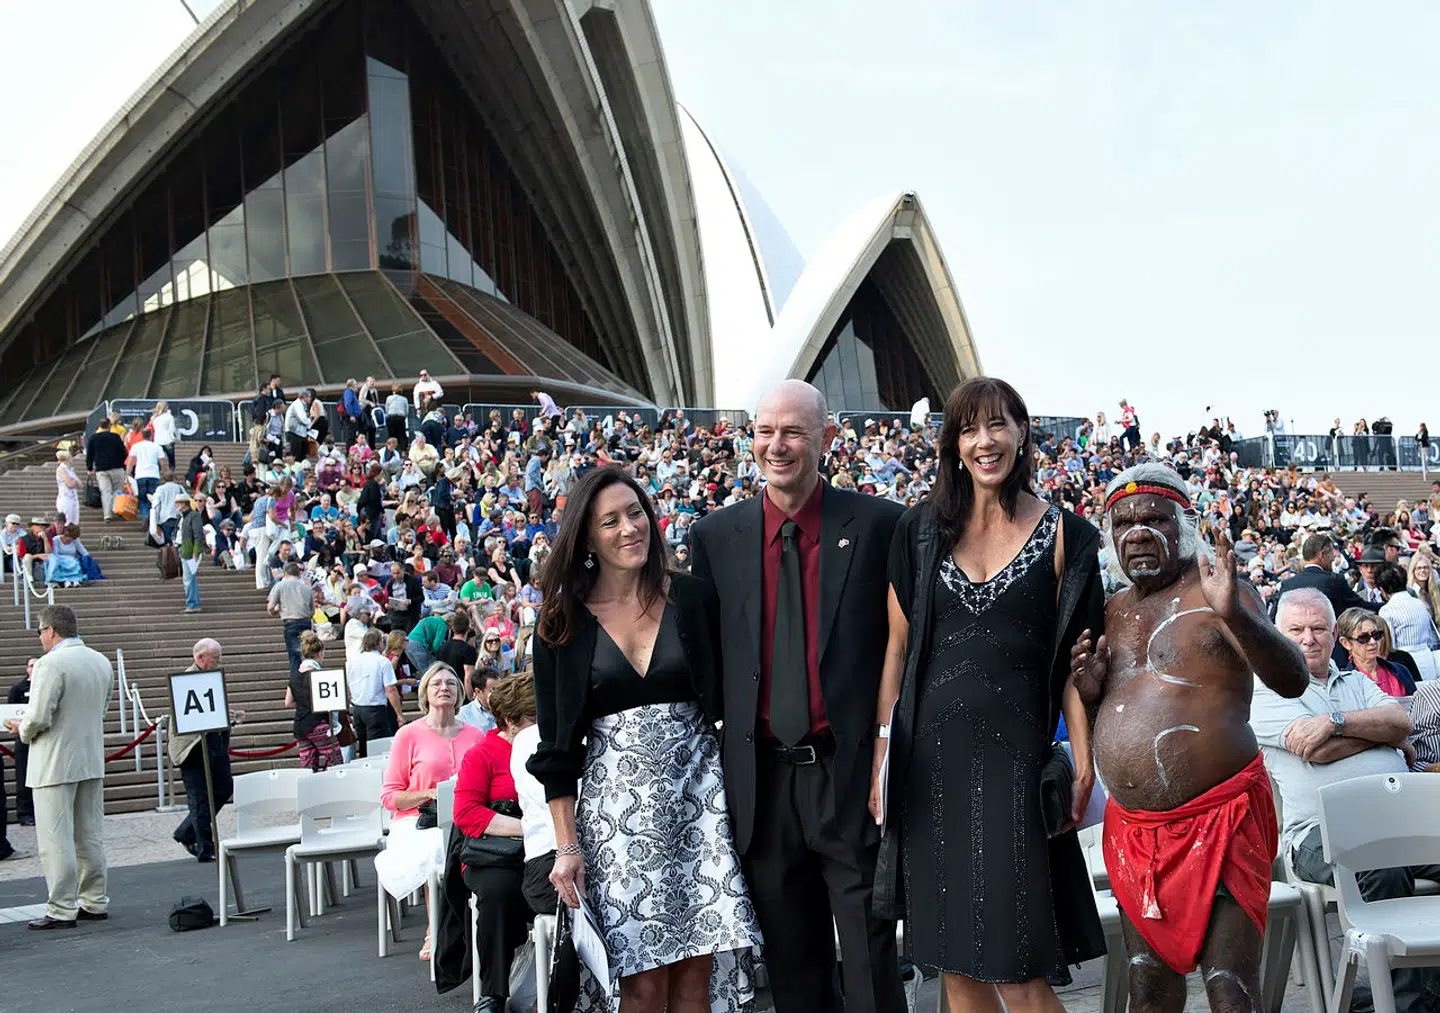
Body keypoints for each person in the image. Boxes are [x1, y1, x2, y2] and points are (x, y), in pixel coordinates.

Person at [873, 378, 1105, 1011]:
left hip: (1015, 765)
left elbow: (1075, 666)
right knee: (956, 966)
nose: (985, 441)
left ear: (1022, 432)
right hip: (928, 767)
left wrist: (1082, 761)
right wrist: (881, 758)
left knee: (1019, 968)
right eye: (969, 429)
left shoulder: (1068, 537)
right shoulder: (918, 532)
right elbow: (895, 651)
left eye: (998, 425)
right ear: (952, 444)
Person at [689, 380, 905, 1013]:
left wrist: (888, 758)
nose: (775, 446)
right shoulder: (716, 537)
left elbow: (907, 648)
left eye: (792, 432)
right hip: (761, 782)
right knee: (792, 968)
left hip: (848, 773)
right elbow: (704, 663)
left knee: (869, 961)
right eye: (763, 431)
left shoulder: (880, 525)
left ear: (828, 439)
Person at [1074, 463, 1309, 1011]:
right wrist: (1088, 694)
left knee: (1230, 988)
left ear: (1185, 523)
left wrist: (1238, 617)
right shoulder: (1113, 609)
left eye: (1154, 518)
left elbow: (1293, 679)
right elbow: (1115, 711)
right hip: (1136, 831)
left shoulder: (1218, 590)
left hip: (1223, 817)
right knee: (1148, 993)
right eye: (1123, 522)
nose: (1137, 532)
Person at [531, 465, 761, 1011]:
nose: (629, 528)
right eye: (610, 521)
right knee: (640, 983)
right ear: (586, 537)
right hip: (617, 821)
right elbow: (557, 751)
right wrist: (567, 848)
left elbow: (734, 699)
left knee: (696, 975)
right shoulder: (562, 623)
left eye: (635, 513)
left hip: (701, 804)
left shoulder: (694, 599)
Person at [1256, 589, 1439, 1013]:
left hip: (1399, 816)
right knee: (1382, 863)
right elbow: (1315, 752)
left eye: (1318, 628)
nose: (1308, 639)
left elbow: (1401, 721)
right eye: (1296, 630)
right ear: (1276, 635)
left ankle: (1379, 996)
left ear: (1334, 633)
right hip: (1318, 833)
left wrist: (1333, 722)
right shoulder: (1264, 690)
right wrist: (1381, 737)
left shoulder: (1355, 681)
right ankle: (1408, 1005)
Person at [3, 605, 112, 930]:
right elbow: (103, 708)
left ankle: (62, 906)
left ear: (51, 630)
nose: (40, 637)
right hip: (90, 757)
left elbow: (38, 717)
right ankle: (94, 900)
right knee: (90, 835)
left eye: (40, 631)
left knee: (55, 838)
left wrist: (19, 730)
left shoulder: (50, 664)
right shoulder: (100, 660)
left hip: (53, 761)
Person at [378, 662, 484, 960]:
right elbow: (390, 797)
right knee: (437, 850)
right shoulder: (408, 735)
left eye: (450, 683)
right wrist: (429, 794)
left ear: (460, 692)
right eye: (436, 684)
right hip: (418, 821)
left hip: (467, 817)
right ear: (425, 692)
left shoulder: (475, 735)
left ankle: (480, 926)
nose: (444, 688)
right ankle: (434, 929)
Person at [452, 672, 537, 1012]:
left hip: (541, 849)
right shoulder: (483, 754)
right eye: (533, 717)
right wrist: (530, 828)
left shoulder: (551, 744)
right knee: (500, 890)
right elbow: (468, 814)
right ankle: (494, 992)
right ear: (511, 720)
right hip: (496, 852)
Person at [169, 638, 236, 862]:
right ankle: (204, 845)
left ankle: (187, 832)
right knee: (198, 796)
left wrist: (230, 716)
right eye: (214, 659)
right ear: (200, 658)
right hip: (192, 745)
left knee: (224, 787)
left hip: (214, 742)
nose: (218, 662)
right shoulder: (185, 680)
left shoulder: (211, 677)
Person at [285, 631, 343, 771]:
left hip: (301, 725)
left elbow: (288, 702)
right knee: (335, 759)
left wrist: (304, 703)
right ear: (319, 654)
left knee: (308, 765)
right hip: (319, 724)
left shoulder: (295, 676)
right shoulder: (319, 675)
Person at [346, 628, 405, 756]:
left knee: (363, 745)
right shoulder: (383, 662)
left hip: (357, 708)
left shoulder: (351, 661)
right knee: (377, 747)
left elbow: (348, 686)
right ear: (379, 643)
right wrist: (399, 714)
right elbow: (390, 689)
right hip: (376, 708)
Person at [1336, 606, 1417, 697]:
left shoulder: (1400, 671)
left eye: (1376, 635)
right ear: (1346, 643)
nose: (1373, 642)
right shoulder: (1343, 684)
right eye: (1363, 638)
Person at [268, 562, 315, 671]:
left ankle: (296, 681)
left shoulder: (280, 585)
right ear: (299, 574)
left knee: (295, 656)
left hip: (291, 623)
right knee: (307, 655)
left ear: (285, 573)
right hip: (306, 622)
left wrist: (275, 612)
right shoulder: (307, 588)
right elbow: (312, 610)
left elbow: (270, 606)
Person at [8, 660, 36, 828]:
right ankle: (25, 813)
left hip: (43, 737)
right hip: (23, 738)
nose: (34, 668)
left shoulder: (45, 687)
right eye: (31, 665)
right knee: (23, 776)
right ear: (26, 668)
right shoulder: (18, 689)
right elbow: (10, 713)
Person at [85, 420, 129, 522]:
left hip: (101, 469)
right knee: (117, 491)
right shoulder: (115, 437)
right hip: (117, 467)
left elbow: (89, 455)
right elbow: (123, 452)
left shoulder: (93, 438)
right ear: (109, 426)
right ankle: (116, 510)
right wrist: (124, 466)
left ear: (100, 426)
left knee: (105, 492)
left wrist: (90, 468)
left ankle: (107, 515)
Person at [127, 428, 164, 522]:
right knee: (153, 498)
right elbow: (162, 463)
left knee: (142, 498)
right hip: (154, 475)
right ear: (151, 436)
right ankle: (152, 518)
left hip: (140, 475)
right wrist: (165, 473)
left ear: (142, 436)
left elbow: (130, 462)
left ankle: (145, 517)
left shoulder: (136, 446)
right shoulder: (157, 447)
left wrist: (127, 475)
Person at [177, 493, 204, 613]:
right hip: (184, 548)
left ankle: (192, 604)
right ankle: (194, 603)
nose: (176, 505)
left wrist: (196, 551)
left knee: (188, 579)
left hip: (189, 550)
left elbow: (198, 534)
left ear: (183, 504)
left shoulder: (194, 515)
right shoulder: (183, 516)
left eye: (177, 503)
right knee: (189, 579)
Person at [459, 663, 502, 733]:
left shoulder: (506, 709)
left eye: (500, 688)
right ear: (478, 692)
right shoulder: (464, 716)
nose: (499, 693)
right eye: (493, 690)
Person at [54, 449, 81, 526]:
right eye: (70, 457)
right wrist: (74, 482)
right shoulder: (61, 468)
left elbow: (80, 484)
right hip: (65, 498)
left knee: (75, 521)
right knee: (67, 520)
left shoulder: (70, 470)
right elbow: (70, 484)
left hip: (73, 498)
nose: (72, 459)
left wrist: (74, 482)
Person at [150, 401, 178, 470]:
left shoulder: (154, 418)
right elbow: (172, 430)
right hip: (168, 440)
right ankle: (171, 474)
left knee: (158, 460)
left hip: (157, 441)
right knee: (171, 460)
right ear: (164, 407)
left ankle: (158, 473)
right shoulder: (169, 417)